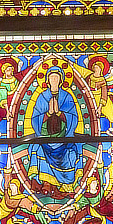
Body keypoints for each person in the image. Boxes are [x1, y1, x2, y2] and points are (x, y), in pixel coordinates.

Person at [27, 66, 82, 198]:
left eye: (56, 78)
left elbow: (74, 118)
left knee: (71, 153)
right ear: (47, 80)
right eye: (52, 78)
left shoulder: (67, 96)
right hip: (45, 138)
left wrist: (59, 114)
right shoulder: (42, 97)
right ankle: (46, 184)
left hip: (64, 139)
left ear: (61, 80)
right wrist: (47, 114)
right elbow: (34, 119)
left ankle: (66, 186)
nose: (54, 80)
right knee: (36, 148)